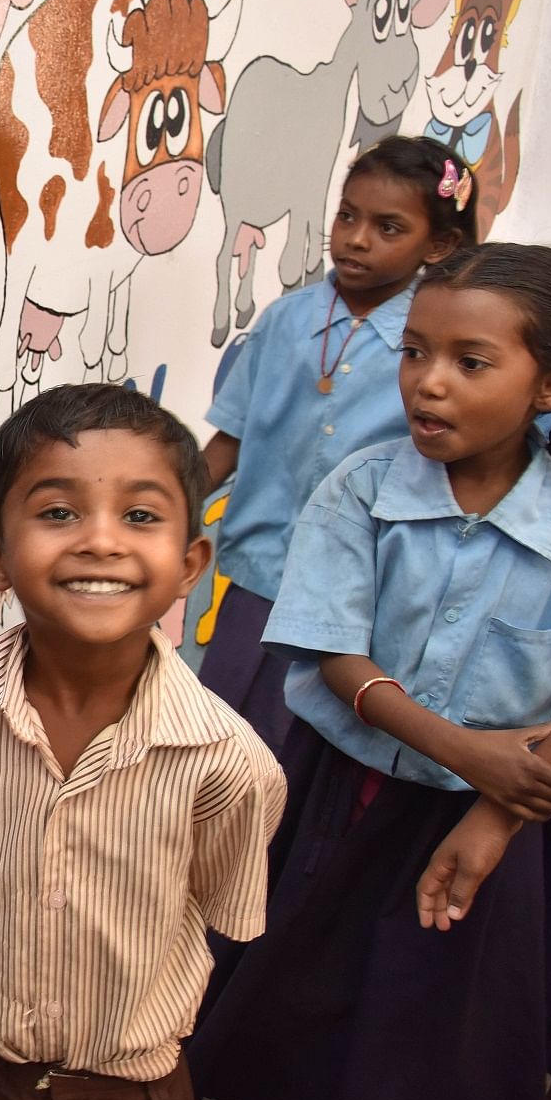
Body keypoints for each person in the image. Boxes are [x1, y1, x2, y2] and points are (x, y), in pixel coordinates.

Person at [189, 243, 551, 1100]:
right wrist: (470, 751)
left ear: (549, 388)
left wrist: (493, 808)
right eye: (413, 353)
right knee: (298, 968)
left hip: (513, 817)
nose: (427, 385)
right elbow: (333, 656)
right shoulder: (357, 489)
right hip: (342, 789)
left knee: (439, 1009)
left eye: (469, 363)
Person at [0, 383, 286, 1100]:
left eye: (140, 516)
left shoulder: (226, 763)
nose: (100, 542)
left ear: (188, 565)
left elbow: (218, 905)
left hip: (127, 1099)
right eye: (56, 513)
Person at [198, 136, 478, 750]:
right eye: (347, 215)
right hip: (257, 579)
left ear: (439, 245)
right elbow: (230, 442)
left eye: (388, 227)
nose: (355, 238)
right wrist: (157, 509)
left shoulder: (429, 348)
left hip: (362, 600)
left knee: (303, 754)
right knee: (213, 742)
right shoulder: (284, 321)